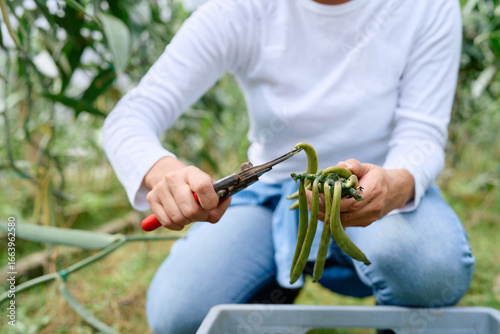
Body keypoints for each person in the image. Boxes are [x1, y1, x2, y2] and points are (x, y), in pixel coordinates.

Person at [103, 0, 475, 333]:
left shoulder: (427, 6)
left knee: (430, 268)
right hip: (273, 193)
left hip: (379, 190)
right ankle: (272, 292)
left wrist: (395, 185)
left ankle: (399, 319)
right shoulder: (238, 9)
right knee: (178, 313)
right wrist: (164, 170)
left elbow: (421, 134)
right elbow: (129, 118)